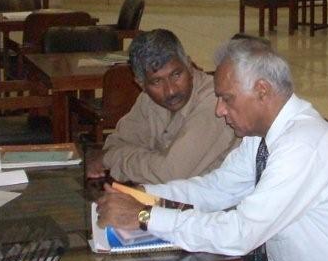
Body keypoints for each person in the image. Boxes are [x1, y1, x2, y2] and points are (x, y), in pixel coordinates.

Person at [97, 37, 328, 261]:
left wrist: (145, 217)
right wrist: (143, 195)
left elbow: (241, 233)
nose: (219, 110)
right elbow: (216, 188)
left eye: (227, 99)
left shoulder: (304, 145)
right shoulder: (263, 135)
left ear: (262, 90)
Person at [87, 29, 237, 184]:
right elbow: (117, 144)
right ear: (141, 84)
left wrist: (111, 159)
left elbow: (169, 173)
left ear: (189, 65)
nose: (171, 90)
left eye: (176, 74)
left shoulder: (215, 103)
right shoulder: (148, 99)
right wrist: (148, 164)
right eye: (156, 82)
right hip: (164, 199)